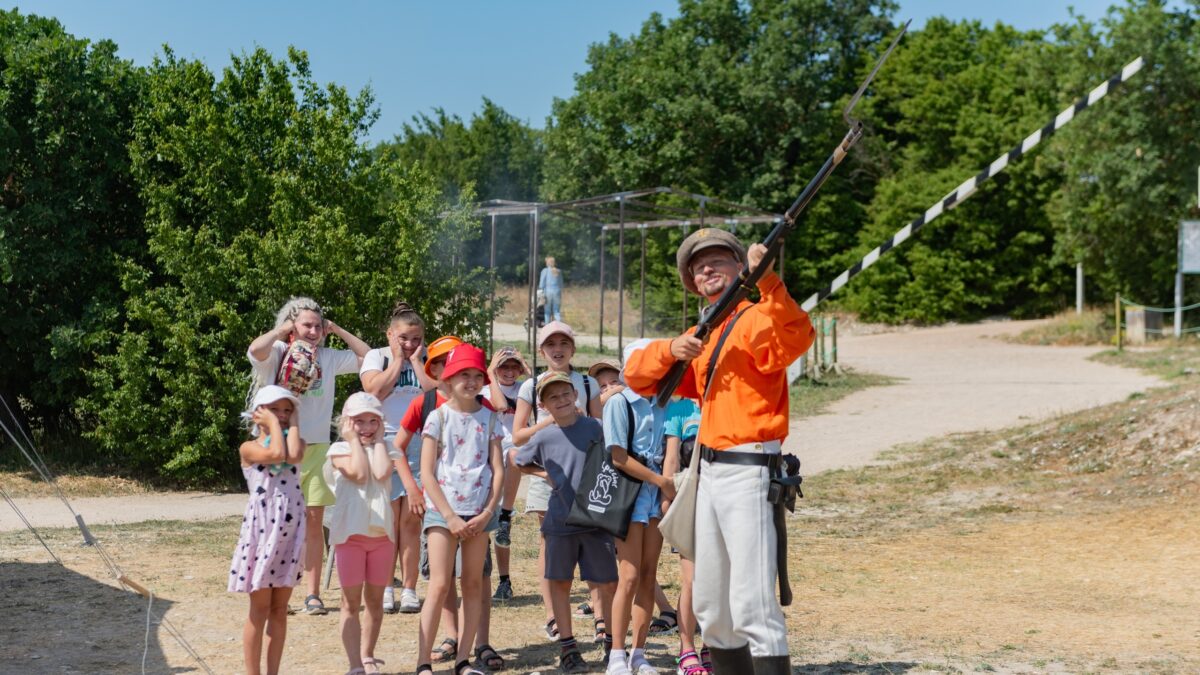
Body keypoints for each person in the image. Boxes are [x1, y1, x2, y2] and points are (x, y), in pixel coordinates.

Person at [623, 228, 814, 674]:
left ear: (739, 269)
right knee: (710, 605)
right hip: (706, 473)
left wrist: (767, 280)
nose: (706, 268)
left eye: (718, 261)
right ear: (691, 281)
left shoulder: (755, 315)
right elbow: (636, 376)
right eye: (698, 265)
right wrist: (672, 349)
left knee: (752, 603)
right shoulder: (705, 332)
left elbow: (797, 334)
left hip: (748, 468)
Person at [248, 296, 370, 616]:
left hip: (316, 448)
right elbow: (254, 351)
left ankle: (312, 594)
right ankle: (277, 592)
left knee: (314, 523)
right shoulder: (278, 351)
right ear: (293, 325)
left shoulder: (327, 357)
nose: (313, 331)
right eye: (307, 325)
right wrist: (281, 331)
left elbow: (369, 357)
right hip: (280, 448)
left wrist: (337, 329)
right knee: (280, 523)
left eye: (318, 326)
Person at [514, 372, 618, 675]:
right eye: (553, 397)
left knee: (607, 583)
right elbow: (519, 460)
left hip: (597, 521)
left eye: (565, 394)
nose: (560, 401)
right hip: (560, 520)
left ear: (575, 395)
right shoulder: (543, 436)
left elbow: (614, 458)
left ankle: (612, 644)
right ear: (543, 405)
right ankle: (569, 648)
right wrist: (545, 474)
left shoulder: (595, 427)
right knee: (560, 582)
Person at [512, 321, 606, 645]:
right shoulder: (530, 386)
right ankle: (552, 615)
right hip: (548, 470)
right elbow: (518, 435)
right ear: (541, 351)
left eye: (563, 342)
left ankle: (600, 617)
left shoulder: (587, 382)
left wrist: (575, 417)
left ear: (572, 348)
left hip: (585, 473)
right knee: (548, 543)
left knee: (595, 544)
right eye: (550, 344)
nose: (557, 348)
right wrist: (553, 418)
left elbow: (600, 428)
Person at [416, 344, 506, 675]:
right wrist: (450, 516)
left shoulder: (491, 418)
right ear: (449, 378)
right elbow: (426, 471)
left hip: (479, 514)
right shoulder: (437, 417)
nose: (470, 381)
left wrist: (487, 512)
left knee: (473, 584)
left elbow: (499, 469)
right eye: (463, 375)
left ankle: (463, 660)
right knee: (440, 585)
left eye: (476, 375)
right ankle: (423, 662)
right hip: (443, 513)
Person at [603, 340, 675, 675]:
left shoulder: (665, 402)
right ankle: (616, 653)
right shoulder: (619, 402)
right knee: (629, 575)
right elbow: (619, 457)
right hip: (630, 494)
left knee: (648, 575)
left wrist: (663, 485)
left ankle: (639, 652)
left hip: (656, 497)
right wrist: (661, 481)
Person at [359, 302, 434, 613]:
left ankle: (410, 589)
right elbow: (373, 392)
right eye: (403, 338)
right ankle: (386, 585)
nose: (410, 344)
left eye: (416, 338)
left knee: (411, 521)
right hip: (383, 440)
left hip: (420, 442)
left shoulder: (427, 358)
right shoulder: (377, 356)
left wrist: (416, 362)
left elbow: (435, 393)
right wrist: (397, 360)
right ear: (390, 334)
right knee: (387, 520)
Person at [230, 385, 306, 675]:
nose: (283, 416)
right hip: (263, 534)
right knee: (259, 609)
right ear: (258, 413)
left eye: (288, 410)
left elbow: (293, 455)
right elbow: (275, 453)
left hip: (289, 533)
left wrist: (294, 422)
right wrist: (273, 425)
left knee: (279, 609)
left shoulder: (296, 443)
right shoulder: (250, 448)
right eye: (276, 410)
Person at [323, 393, 401, 675]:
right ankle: (354, 663)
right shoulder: (339, 450)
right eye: (359, 422)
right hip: (349, 537)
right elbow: (356, 472)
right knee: (350, 602)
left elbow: (380, 473)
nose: (367, 427)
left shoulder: (387, 448)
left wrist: (379, 440)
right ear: (346, 423)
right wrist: (353, 440)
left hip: (381, 538)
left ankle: (368, 655)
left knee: (375, 602)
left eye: (373, 421)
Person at [392, 335, 464, 616]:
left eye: (456, 362)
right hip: (432, 495)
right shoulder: (425, 403)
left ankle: (474, 641)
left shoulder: (480, 403)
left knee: (473, 576)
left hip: (469, 499)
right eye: (443, 363)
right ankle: (445, 633)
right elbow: (397, 447)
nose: (451, 369)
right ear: (432, 369)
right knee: (441, 577)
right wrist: (411, 487)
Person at [662, 396, 710, 674]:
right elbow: (671, 457)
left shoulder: (725, 399)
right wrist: (668, 498)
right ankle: (687, 649)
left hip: (725, 498)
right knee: (691, 580)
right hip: (690, 500)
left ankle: (713, 647)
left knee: (718, 581)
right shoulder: (680, 409)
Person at [484, 346, 532, 603]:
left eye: (515, 366)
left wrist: (527, 368)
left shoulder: (527, 388)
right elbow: (500, 405)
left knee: (513, 454)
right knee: (486, 527)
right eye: (505, 366)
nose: (510, 372)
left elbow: (539, 388)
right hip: (489, 460)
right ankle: (501, 581)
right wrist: (491, 373)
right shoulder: (484, 388)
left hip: (514, 457)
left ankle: (505, 515)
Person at [538, 256, 563, 324]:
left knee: (547, 312)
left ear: (547, 263)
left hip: (547, 292)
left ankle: (547, 327)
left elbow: (541, 284)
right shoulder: (559, 271)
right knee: (556, 311)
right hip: (557, 292)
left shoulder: (545, 271)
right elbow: (561, 284)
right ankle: (559, 327)